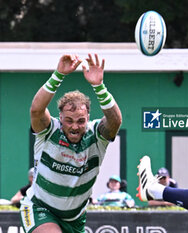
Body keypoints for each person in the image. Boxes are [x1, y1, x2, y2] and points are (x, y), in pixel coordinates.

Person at [20, 54, 122, 233]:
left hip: (75, 219)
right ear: (60, 118)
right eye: (69, 120)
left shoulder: (96, 136)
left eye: (80, 121)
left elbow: (115, 122)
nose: (75, 126)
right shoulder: (49, 131)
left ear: (88, 118)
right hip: (39, 208)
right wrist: (58, 75)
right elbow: (36, 110)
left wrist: (99, 86)